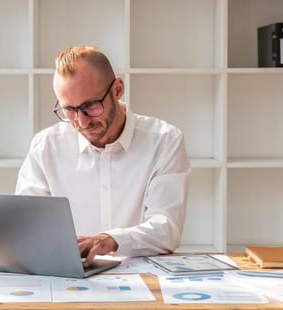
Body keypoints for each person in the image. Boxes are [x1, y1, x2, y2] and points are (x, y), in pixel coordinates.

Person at [15, 44, 190, 266]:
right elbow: (26, 225)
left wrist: (110, 240)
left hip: (140, 279)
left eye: (91, 106)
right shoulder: (46, 146)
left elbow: (167, 228)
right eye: (69, 109)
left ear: (117, 89)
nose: (82, 121)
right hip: (67, 278)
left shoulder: (165, 141)